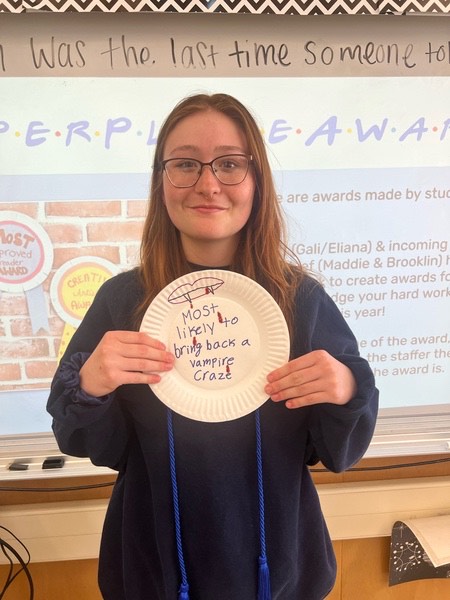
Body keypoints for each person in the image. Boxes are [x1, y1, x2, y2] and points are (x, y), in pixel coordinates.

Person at [47, 93, 378, 600]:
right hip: (155, 569)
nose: (207, 184)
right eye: (185, 164)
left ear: (257, 181)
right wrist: (90, 386)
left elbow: (336, 451)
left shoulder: (300, 300)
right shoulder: (123, 300)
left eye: (229, 164)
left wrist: (347, 388)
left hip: (277, 571)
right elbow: (97, 446)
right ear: (162, 181)